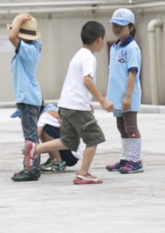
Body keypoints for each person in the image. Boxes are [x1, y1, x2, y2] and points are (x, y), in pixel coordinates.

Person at [25, 21, 114, 185]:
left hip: (67, 105)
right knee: (94, 138)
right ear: (99, 40)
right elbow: (87, 81)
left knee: (68, 141)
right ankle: (83, 173)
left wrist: (87, 102)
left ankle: (34, 149)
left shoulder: (79, 54)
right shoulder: (89, 58)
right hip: (76, 108)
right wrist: (102, 100)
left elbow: (76, 83)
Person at [104, 8, 144, 174]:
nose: (117, 28)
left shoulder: (132, 48)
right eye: (114, 25)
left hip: (128, 97)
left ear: (131, 27)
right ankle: (125, 158)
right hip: (117, 97)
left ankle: (135, 160)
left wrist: (128, 96)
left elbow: (132, 73)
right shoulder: (115, 47)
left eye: (121, 25)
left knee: (131, 127)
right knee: (121, 127)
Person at [7, 13, 43, 182]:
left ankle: (31, 170)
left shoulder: (28, 50)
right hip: (27, 98)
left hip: (28, 98)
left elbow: (11, 36)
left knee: (30, 137)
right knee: (31, 135)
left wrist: (19, 19)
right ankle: (32, 167)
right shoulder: (31, 49)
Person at [36, 104, 81, 172]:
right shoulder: (51, 110)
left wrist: (31, 149)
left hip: (71, 155)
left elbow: (36, 135)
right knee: (46, 130)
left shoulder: (45, 116)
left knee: (46, 128)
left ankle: (58, 162)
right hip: (69, 151)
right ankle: (53, 160)